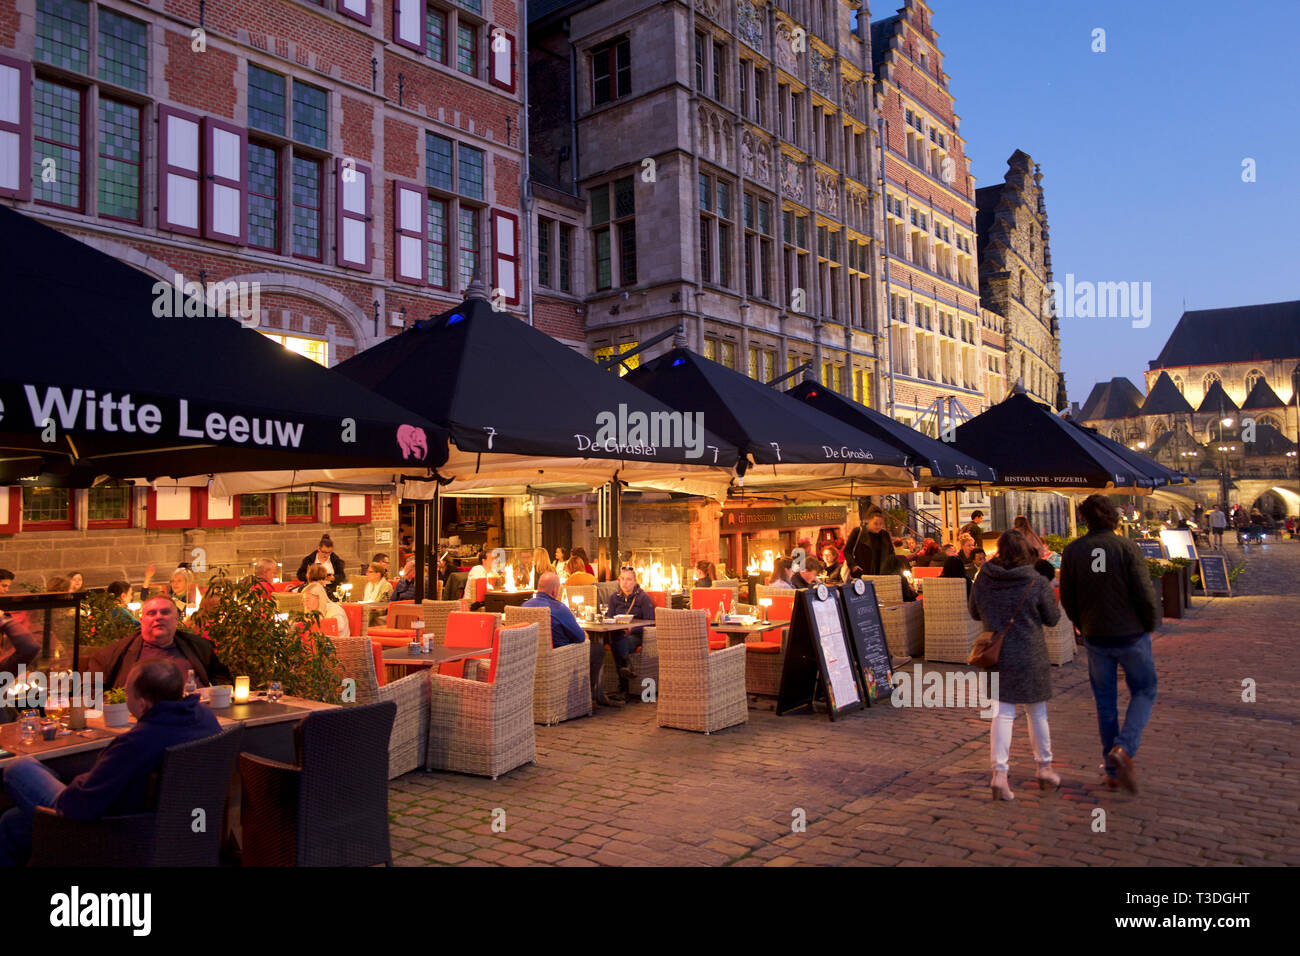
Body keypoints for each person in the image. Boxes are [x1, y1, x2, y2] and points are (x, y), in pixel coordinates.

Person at [0, 658, 222, 867]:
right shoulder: (204, 717)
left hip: (115, 833)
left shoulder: (137, 743)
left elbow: (80, 806)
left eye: (127, 692)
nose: (125, 697)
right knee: (11, 822)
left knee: (19, 768)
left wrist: (80, 782)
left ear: (142, 704)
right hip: (174, 828)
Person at [1060, 494, 1159, 794]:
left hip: (1096, 635)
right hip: (1130, 633)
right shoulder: (1126, 547)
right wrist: (1149, 622)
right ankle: (1124, 747)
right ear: (1112, 517)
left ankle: (1112, 770)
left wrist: (1081, 623)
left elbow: (1067, 596)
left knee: (1105, 703)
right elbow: (1144, 591)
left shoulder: (1074, 550)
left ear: (1084, 518)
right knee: (1145, 689)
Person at [969, 529, 1062, 801]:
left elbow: (974, 611)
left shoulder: (983, 577)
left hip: (996, 654)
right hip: (1030, 653)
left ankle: (999, 775)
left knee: (1002, 714)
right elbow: (1053, 618)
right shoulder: (1035, 580)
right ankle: (1044, 768)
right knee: (1037, 713)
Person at [97, 596, 233, 691]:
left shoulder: (200, 647)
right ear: (142, 620)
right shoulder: (112, 654)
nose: (158, 617)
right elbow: (89, 693)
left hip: (193, 718)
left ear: (176, 619)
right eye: (152, 613)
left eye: (165, 612)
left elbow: (223, 679)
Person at [605, 567, 656, 701]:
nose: (625, 583)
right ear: (619, 580)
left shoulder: (643, 598)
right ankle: (626, 665)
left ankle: (623, 687)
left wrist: (632, 629)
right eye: (623, 579)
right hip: (617, 634)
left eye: (629, 580)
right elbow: (609, 617)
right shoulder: (614, 598)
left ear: (634, 581)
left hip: (637, 636)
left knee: (617, 642)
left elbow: (650, 622)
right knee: (614, 639)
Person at [522, 572, 585, 649]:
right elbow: (580, 637)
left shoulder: (524, 606)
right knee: (598, 649)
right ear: (554, 590)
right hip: (560, 656)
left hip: (531, 656)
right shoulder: (559, 608)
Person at [296, 535, 344, 600]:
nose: (326, 555)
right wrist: (312, 577)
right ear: (319, 548)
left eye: (329, 553)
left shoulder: (335, 560)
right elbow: (299, 575)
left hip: (330, 588)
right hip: (312, 588)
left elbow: (342, 576)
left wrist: (334, 578)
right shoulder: (309, 559)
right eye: (324, 552)